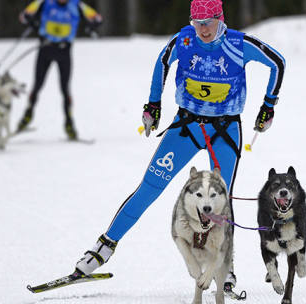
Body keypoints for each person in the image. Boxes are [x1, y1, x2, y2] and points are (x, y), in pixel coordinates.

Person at [75, 0, 285, 292]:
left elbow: (278, 62)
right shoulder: (184, 40)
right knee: (149, 187)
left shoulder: (239, 43)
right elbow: (162, 63)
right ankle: (103, 248)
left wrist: (268, 107)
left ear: (220, 19)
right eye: (197, 23)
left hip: (224, 130)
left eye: (209, 22)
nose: (203, 30)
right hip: (186, 127)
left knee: (222, 198)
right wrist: (153, 105)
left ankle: (226, 269)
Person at [16, 0, 102, 140]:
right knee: (37, 85)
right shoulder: (44, 2)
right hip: (45, 49)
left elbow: (98, 18)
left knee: (65, 89)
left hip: (64, 51)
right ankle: (27, 115)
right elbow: (23, 16)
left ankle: (69, 124)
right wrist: (31, 21)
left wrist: (92, 26)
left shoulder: (77, 5)